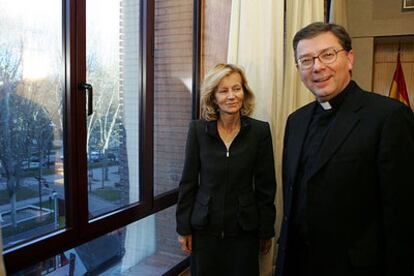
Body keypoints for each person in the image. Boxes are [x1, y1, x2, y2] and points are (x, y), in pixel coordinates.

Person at [276, 22, 414, 276]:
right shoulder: (295, 121)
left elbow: (403, 216)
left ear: (349, 58)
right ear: (298, 69)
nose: (317, 66)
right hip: (298, 264)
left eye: (327, 55)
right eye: (306, 60)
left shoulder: (388, 117)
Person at [176, 63, 276, 276]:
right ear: (213, 97)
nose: (232, 96)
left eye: (236, 88)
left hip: (244, 230)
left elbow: (266, 187)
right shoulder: (197, 131)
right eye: (223, 91)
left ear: (244, 92)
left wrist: (266, 230)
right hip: (204, 230)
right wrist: (183, 227)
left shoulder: (259, 132)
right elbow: (188, 182)